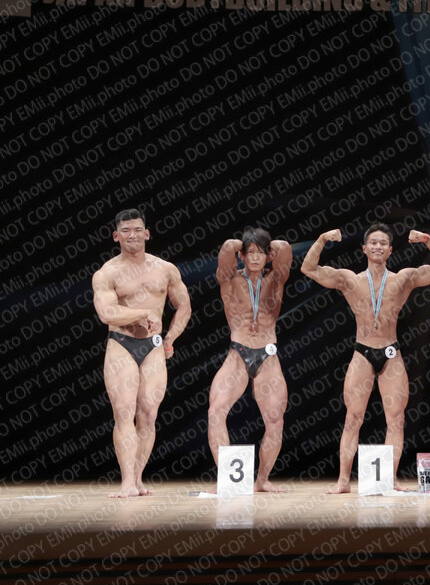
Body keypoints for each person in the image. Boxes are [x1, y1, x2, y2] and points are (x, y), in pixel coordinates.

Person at [301, 223, 430, 494]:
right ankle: (343, 481)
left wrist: (428, 240)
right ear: (364, 249)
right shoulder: (349, 279)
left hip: (391, 352)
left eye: (383, 243)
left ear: (390, 250)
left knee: (396, 420)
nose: (378, 246)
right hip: (362, 352)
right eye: (373, 242)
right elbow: (308, 268)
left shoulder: (403, 278)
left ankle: (390, 479)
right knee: (352, 418)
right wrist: (322, 239)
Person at [92, 209, 191, 498]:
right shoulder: (107, 273)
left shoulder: (165, 269)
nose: (132, 235)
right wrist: (142, 313)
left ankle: (137, 479)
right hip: (121, 344)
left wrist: (170, 338)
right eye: (125, 231)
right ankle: (126, 482)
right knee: (124, 412)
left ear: (147, 233)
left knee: (148, 415)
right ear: (116, 236)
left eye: (137, 229)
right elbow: (106, 313)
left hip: (154, 346)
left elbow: (184, 306)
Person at [208, 228, 292, 493]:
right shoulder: (229, 278)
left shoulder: (276, 278)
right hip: (238, 352)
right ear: (242, 255)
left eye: (261, 253)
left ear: (269, 256)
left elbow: (285, 247)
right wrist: (242, 243)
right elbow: (226, 248)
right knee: (215, 412)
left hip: (268, 355)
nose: (255, 258)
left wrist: (265, 245)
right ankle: (227, 477)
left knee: (276, 420)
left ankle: (262, 479)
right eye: (250, 253)